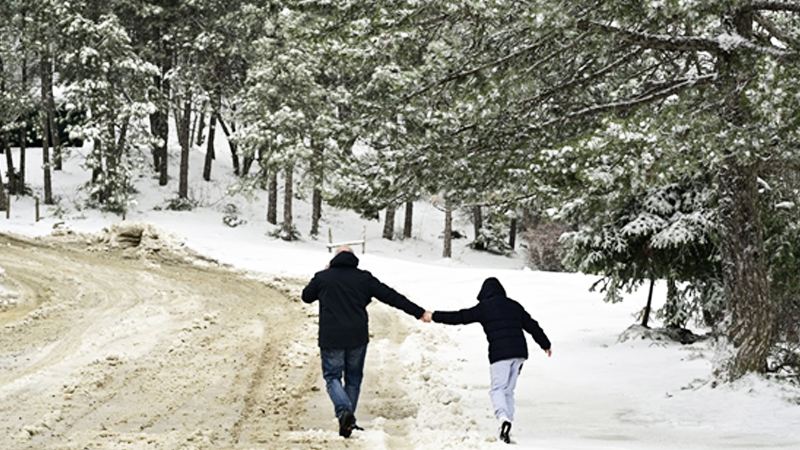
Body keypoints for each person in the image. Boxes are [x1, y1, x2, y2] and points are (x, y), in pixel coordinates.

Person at [302, 245, 431, 438]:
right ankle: (349, 422)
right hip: (357, 337)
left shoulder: (323, 278)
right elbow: (391, 296)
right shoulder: (364, 278)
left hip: (331, 337)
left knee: (332, 377)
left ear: (335, 258)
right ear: (353, 259)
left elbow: (306, 297)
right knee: (353, 379)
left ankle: (343, 411)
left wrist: (323, 273)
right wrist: (418, 312)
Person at [428, 277, 552, 444]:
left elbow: (460, 316)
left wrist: (434, 316)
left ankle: (503, 419)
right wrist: (545, 344)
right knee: (508, 390)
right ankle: (508, 422)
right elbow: (532, 325)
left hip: (500, 355)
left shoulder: (484, 308)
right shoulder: (514, 306)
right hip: (520, 353)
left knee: (497, 389)